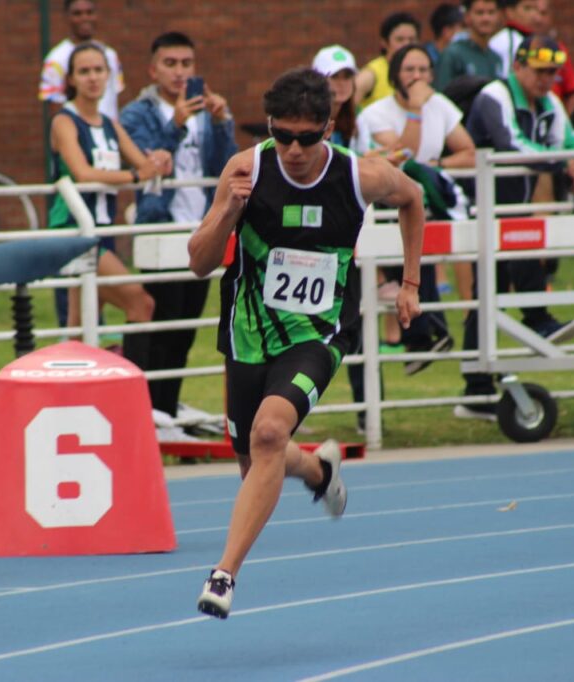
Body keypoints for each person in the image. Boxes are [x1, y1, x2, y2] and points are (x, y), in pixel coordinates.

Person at [187, 67, 425, 618]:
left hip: (317, 331)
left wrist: (410, 283)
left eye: (306, 137)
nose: (293, 149)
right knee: (255, 457)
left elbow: (413, 201)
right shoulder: (246, 168)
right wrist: (227, 209)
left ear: (330, 128)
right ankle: (319, 471)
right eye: (282, 134)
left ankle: (224, 575)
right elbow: (199, 263)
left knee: (270, 432)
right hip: (248, 333)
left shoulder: (360, 176)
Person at [458, 34, 574, 421]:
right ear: (518, 66)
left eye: (553, 72)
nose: (547, 79)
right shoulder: (494, 96)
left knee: (488, 295)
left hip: (507, 208)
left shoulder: (550, 102)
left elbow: (570, 140)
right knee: (510, 260)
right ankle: (538, 320)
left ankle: (477, 390)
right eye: (539, 71)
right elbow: (511, 145)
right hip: (474, 206)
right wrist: (563, 163)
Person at [118, 32, 238, 427]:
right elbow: (152, 163)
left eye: (186, 64)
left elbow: (226, 167)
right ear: (153, 70)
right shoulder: (137, 113)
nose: (180, 72)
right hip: (160, 228)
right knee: (161, 323)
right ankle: (144, 414)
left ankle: (166, 414)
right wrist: (176, 125)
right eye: (170, 64)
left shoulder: (205, 109)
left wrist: (221, 123)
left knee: (185, 328)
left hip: (202, 227)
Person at [356, 44, 472, 373]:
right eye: (410, 70)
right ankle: (423, 334)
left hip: (429, 205)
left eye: (424, 70)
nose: (418, 77)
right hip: (388, 207)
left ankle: (428, 335)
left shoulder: (442, 106)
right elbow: (404, 155)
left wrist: (436, 164)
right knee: (405, 265)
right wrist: (416, 110)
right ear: (395, 76)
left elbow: (469, 152)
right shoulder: (375, 113)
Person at [48, 43, 171, 331]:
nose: (92, 77)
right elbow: (82, 173)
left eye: (99, 70)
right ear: (71, 79)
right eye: (84, 71)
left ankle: (71, 374)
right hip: (74, 230)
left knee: (80, 326)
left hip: (104, 231)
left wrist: (161, 159)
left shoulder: (109, 124)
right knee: (141, 304)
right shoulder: (64, 121)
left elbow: (146, 166)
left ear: (110, 75)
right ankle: (138, 377)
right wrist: (136, 175)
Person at [38, 0, 124, 120]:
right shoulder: (55, 60)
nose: (84, 18)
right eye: (77, 13)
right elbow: (55, 110)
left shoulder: (110, 55)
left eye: (89, 12)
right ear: (67, 17)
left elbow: (113, 99)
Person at [355, 12, 421, 109]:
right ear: (384, 42)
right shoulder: (371, 74)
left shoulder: (421, 72)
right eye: (400, 39)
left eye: (411, 39)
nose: (407, 45)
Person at [434, 0, 504, 93]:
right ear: (467, 17)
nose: (486, 18)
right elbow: (441, 95)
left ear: (498, 16)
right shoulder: (453, 54)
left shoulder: (496, 58)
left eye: (491, 12)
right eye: (480, 13)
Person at [312, 45, 360, 149]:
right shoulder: (308, 119)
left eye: (347, 77)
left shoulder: (359, 116)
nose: (341, 84)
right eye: (334, 76)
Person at [425, 3, 466, 67]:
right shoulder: (426, 55)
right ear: (446, 31)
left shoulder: (459, 55)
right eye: (463, 27)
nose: (465, 31)